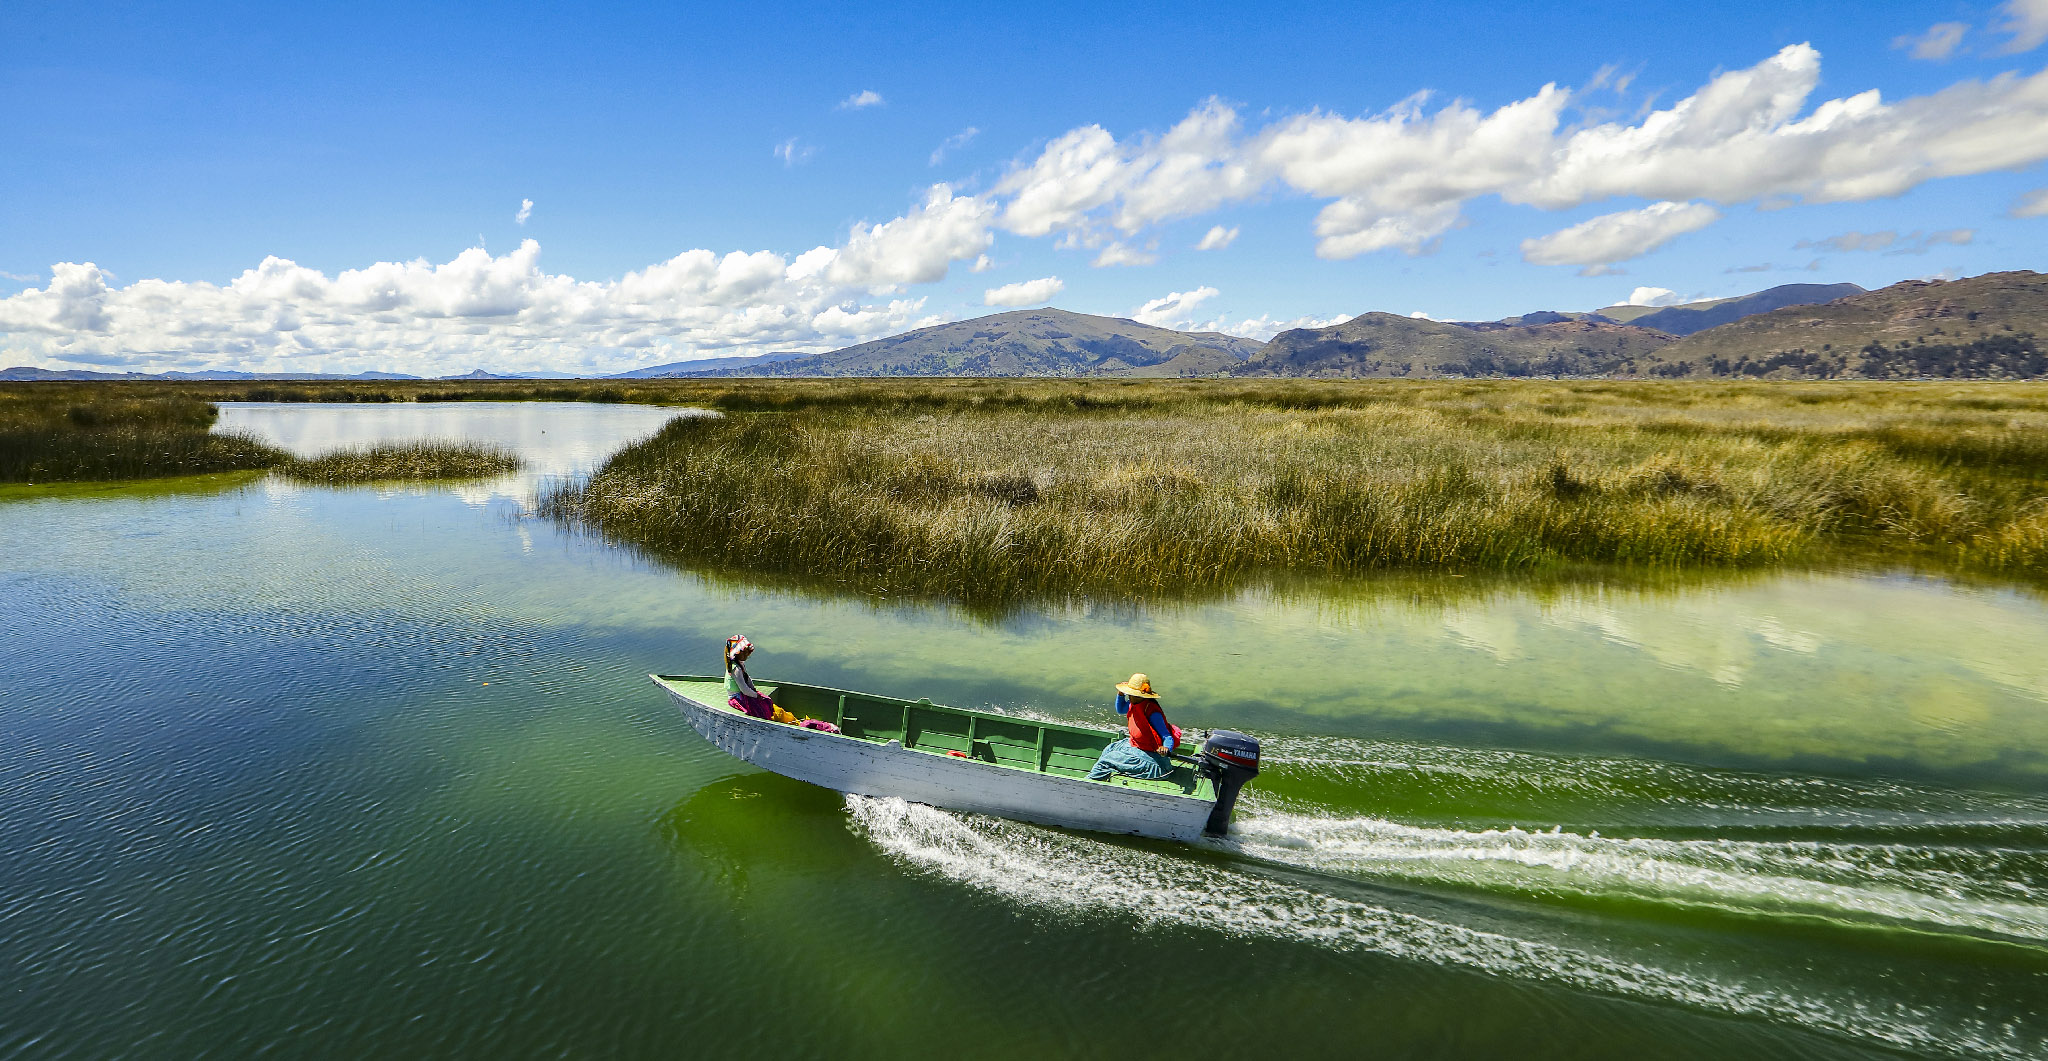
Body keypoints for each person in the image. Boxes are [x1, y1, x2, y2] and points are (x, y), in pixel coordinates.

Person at [722, 636, 839, 732]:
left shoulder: (740, 665)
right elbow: (743, 689)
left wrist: (755, 692)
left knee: (766, 701)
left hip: (745, 694)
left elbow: (748, 682)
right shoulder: (735, 669)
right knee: (761, 707)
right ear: (736, 653)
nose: (747, 655)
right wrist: (755, 695)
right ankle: (772, 721)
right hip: (737, 697)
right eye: (744, 652)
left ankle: (783, 720)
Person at [1088, 673, 1181, 781]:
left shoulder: (1152, 712)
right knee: (1109, 749)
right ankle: (1100, 778)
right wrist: (1120, 695)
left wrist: (1166, 749)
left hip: (1153, 759)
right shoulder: (1134, 703)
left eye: (1131, 694)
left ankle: (1088, 783)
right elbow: (1121, 709)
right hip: (1136, 746)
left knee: (1105, 762)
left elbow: (1167, 737)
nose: (1129, 696)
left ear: (1139, 696)